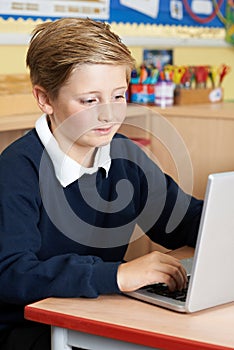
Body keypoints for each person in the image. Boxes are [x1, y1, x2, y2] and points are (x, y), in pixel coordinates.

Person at [0, 17, 203, 349]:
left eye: (119, 95)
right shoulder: (16, 169)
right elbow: (10, 273)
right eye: (89, 101)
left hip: (97, 313)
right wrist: (117, 275)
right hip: (29, 330)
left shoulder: (124, 156)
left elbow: (183, 219)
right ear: (45, 99)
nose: (109, 115)